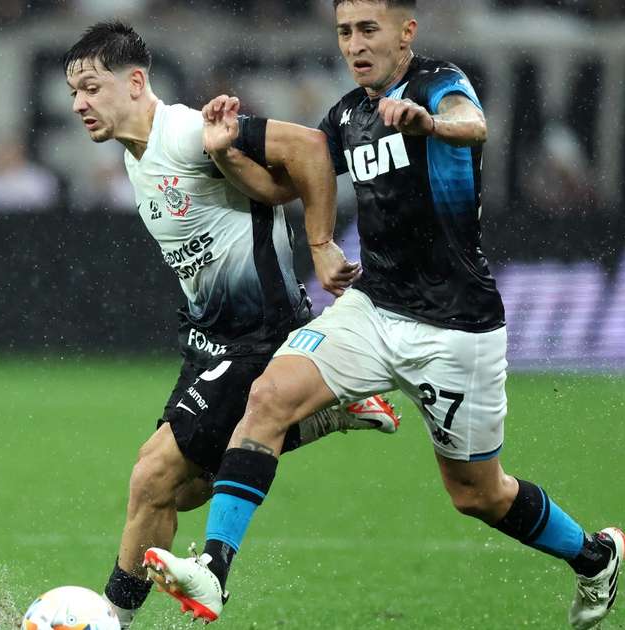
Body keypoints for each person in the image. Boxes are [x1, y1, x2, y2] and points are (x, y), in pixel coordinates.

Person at [142, 2, 625, 629]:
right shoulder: (349, 114)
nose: (355, 44)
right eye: (345, 32)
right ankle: (213, 570)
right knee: (267, 397)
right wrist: (227, 152)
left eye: (369, 30)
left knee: (477, 494)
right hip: (373, 307)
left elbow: (472, 124)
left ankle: (594, 557)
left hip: (456, 326)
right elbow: (283, 187)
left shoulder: (438, 85)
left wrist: (428, 123)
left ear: (407, 32)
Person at [61, 22, 401, 630]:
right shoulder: (134, 154)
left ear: (136, 81)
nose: (79, 103)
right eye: (72, 93)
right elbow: (262, 195)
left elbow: (310, 151)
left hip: (256, 334)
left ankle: (109, 621)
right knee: (183, 492)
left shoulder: (189, 131)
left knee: (152, 476)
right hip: (209, 336)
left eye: (90, 86)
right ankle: (322, 410)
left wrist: (321, 244)